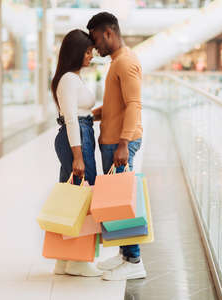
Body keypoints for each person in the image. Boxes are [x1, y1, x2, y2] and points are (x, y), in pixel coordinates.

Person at [87, 12, 146, 281]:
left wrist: (123, 144)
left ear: (109, 33)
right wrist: (93, 115)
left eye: (96, 39)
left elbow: (134, 104)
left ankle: (134, 260)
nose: (95, 45)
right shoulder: (117, 62)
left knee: (122, 201)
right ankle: (125, 254)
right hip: (112, 141)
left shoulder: (125, 63)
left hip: (120, 144)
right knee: (116, 201)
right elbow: (118, 105)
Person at [50, 29, 102, 277]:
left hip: (79, 134)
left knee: (71, 198)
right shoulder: (69, 79)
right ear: (76, 52)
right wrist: (78, 156)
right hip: (77, 139)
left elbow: (79, 114)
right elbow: (71, 118)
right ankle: (78, 261)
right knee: (83, 196)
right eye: (88, 51)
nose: (91, 55)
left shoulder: (72, 77)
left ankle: (63, 258)